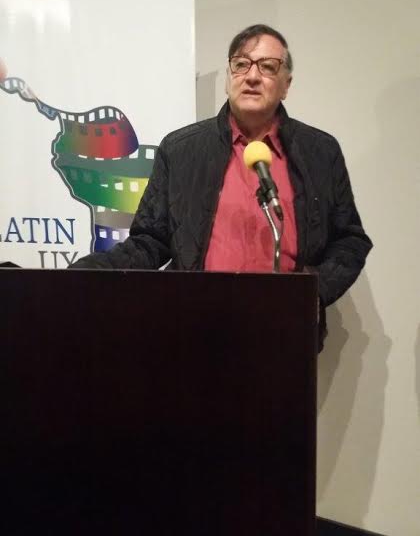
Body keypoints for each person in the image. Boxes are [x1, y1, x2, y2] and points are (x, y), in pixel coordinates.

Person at [72, 24, 373, 349]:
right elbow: (150, 241)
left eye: (268, 67)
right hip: (194, 329)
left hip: (284, 332)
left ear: (286, 85)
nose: (252, 76)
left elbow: (349, 240)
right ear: (229, 77)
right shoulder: (181, 150)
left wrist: (315, 291)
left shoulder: (320, 153)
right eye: (241, 64)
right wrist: (90, 271)